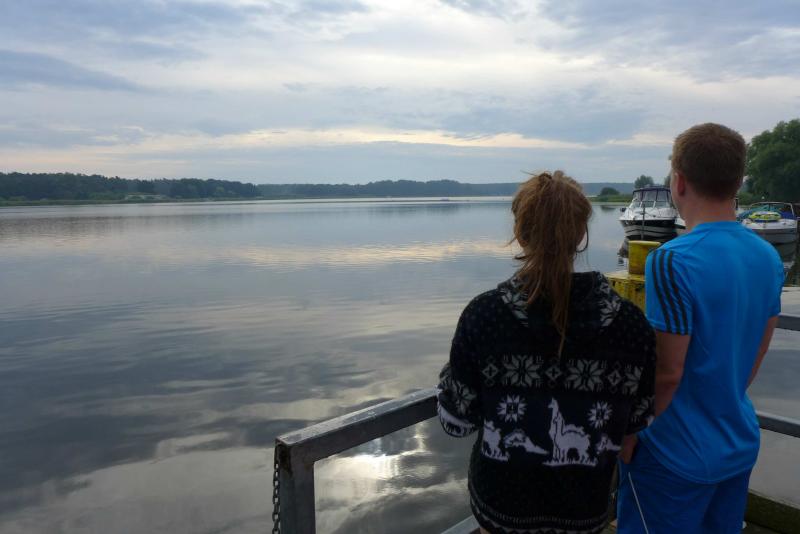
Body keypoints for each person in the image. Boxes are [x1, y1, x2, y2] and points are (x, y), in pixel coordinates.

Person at [437, 171, 656, 534]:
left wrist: (452, 375)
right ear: (581, 235)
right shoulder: (632, 325)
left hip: (501, 511)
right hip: (586, 510)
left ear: (520, 233)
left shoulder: (484, 317)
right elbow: (639, 420)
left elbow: (455, 422)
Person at [616, 123, 785, 533]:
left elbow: (668, 373)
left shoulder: (671, 260)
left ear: (678, 182)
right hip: (736, 441)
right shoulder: (767, 255)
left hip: (673, 454)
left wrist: (629, 436)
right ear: (738, 182)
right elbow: (758, 351)